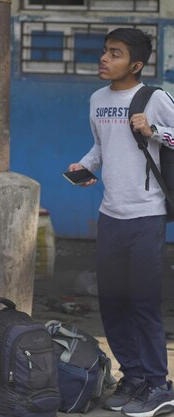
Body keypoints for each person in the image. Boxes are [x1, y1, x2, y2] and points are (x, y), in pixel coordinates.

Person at [68, 28, 174, 417]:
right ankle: (133, 377)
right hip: (110, 215)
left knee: (143, 302)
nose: (104, 59)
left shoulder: (154, 98)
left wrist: (156, 130)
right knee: (112, 302)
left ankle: (159, 385)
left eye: (115, 53)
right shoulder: (97, 100)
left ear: (136, 64)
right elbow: (101, 145)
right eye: (104, 52)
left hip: (146, 215)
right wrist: (85, 165)